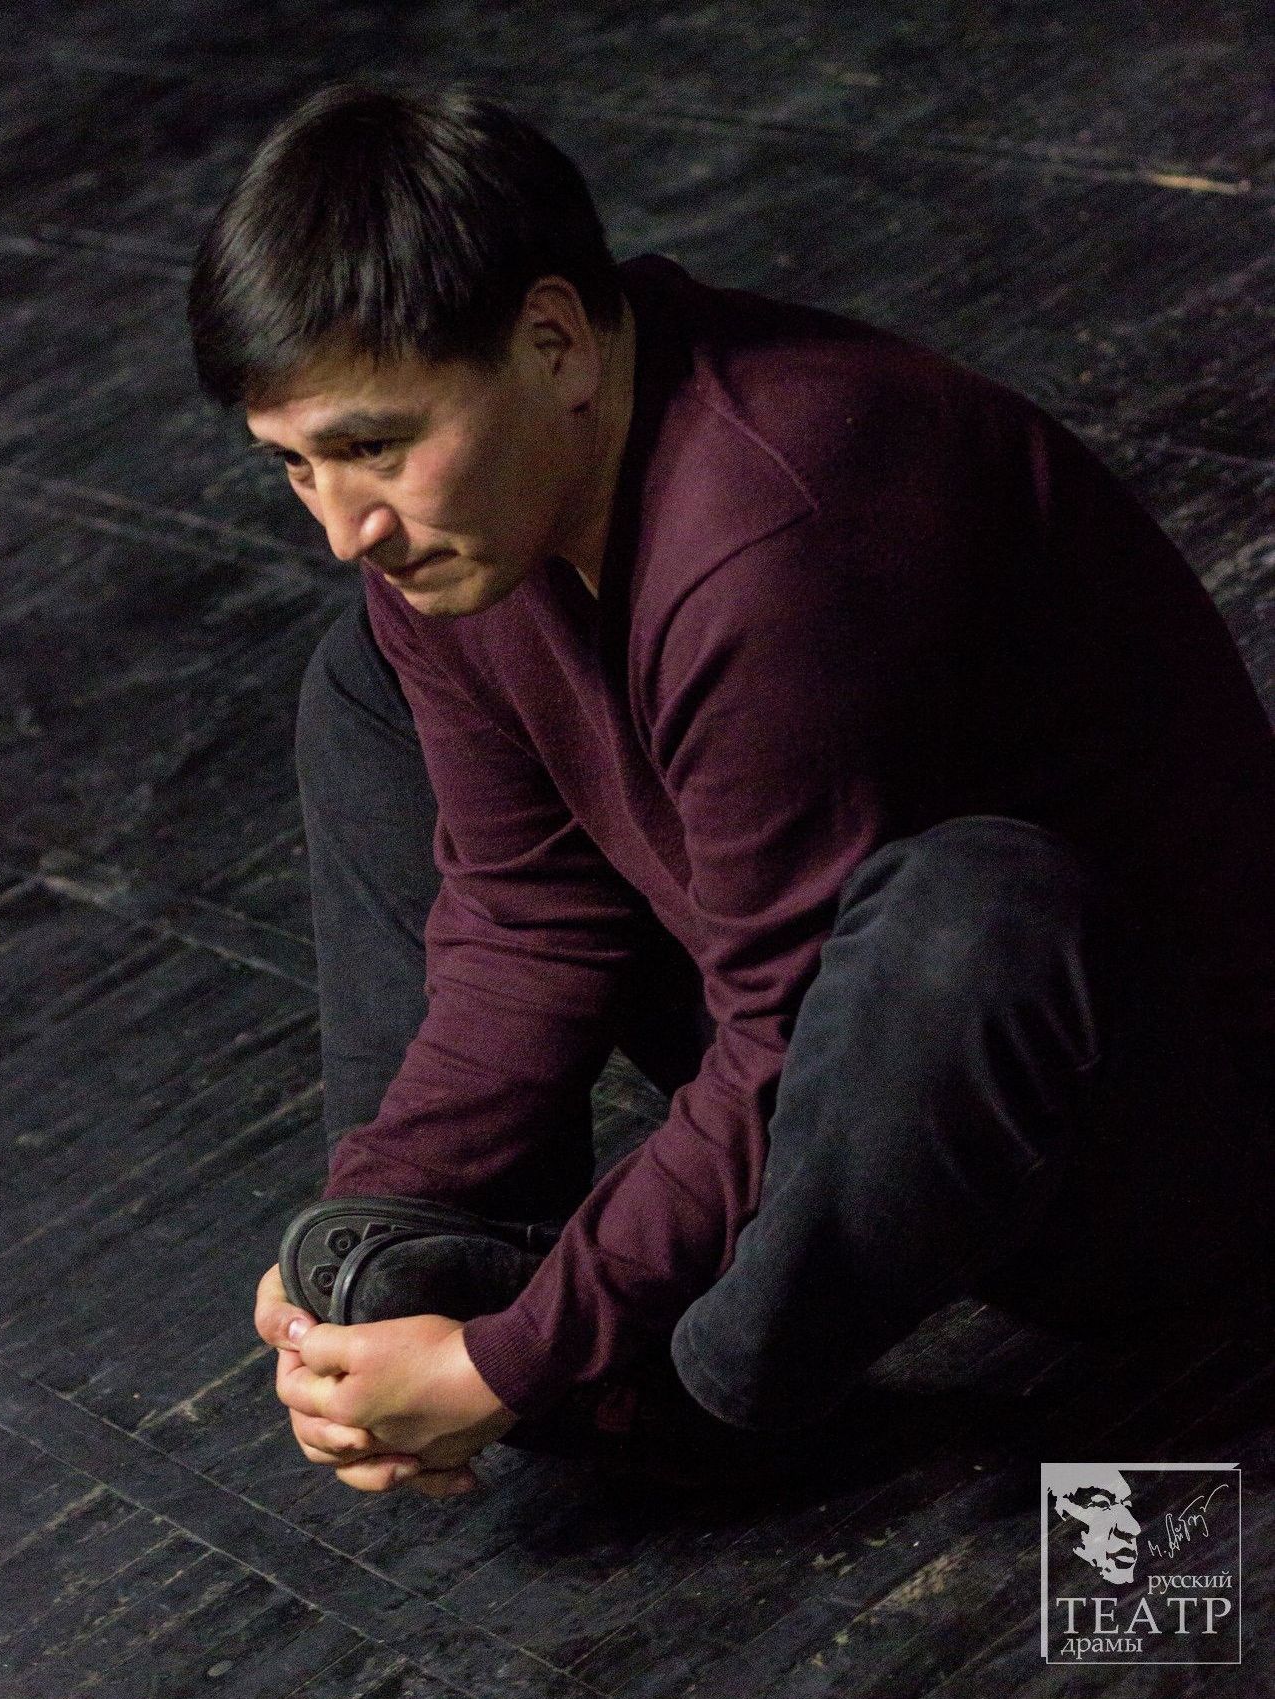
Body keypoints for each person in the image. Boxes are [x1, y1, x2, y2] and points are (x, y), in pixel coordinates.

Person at [188, 84, 1275, 1500]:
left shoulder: (776, 532)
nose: (346, 525)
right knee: (362, 680)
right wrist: (362, 1223)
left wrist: (512, 1365)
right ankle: (427, 1263)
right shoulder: (478, 519)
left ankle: (690, 1388)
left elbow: (786, 1028)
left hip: (1136, 1149)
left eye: (375, 448)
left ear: (554, 343)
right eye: (295, 466)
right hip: (847, 1076)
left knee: (975, 911)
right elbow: (526, 916)